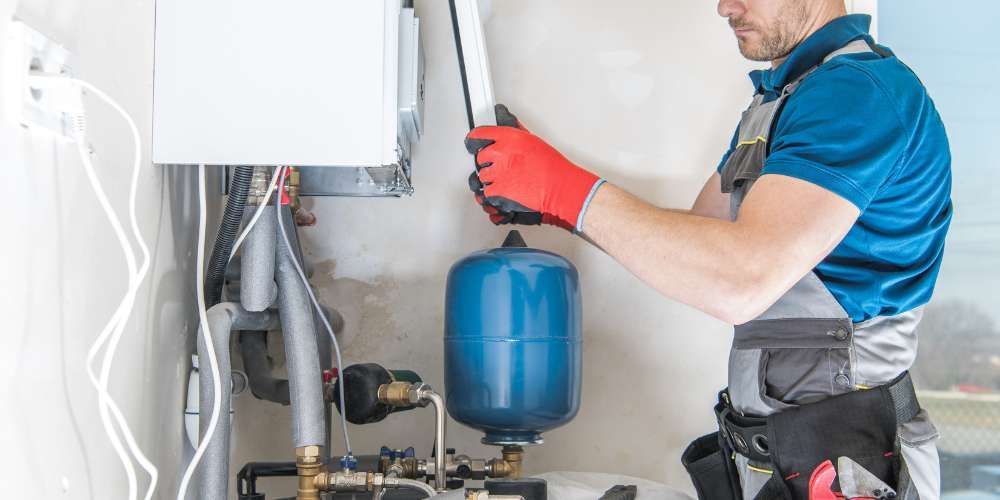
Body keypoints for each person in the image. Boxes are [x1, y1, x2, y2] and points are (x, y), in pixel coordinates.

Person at [463, 1, 952, 499]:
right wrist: (555, 207)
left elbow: (740, 278)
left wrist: (566, 189)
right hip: (788, 454)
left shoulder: (855, 93)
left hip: (848, 463)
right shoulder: (786, 97)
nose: (724, 6)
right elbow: (697, 239)